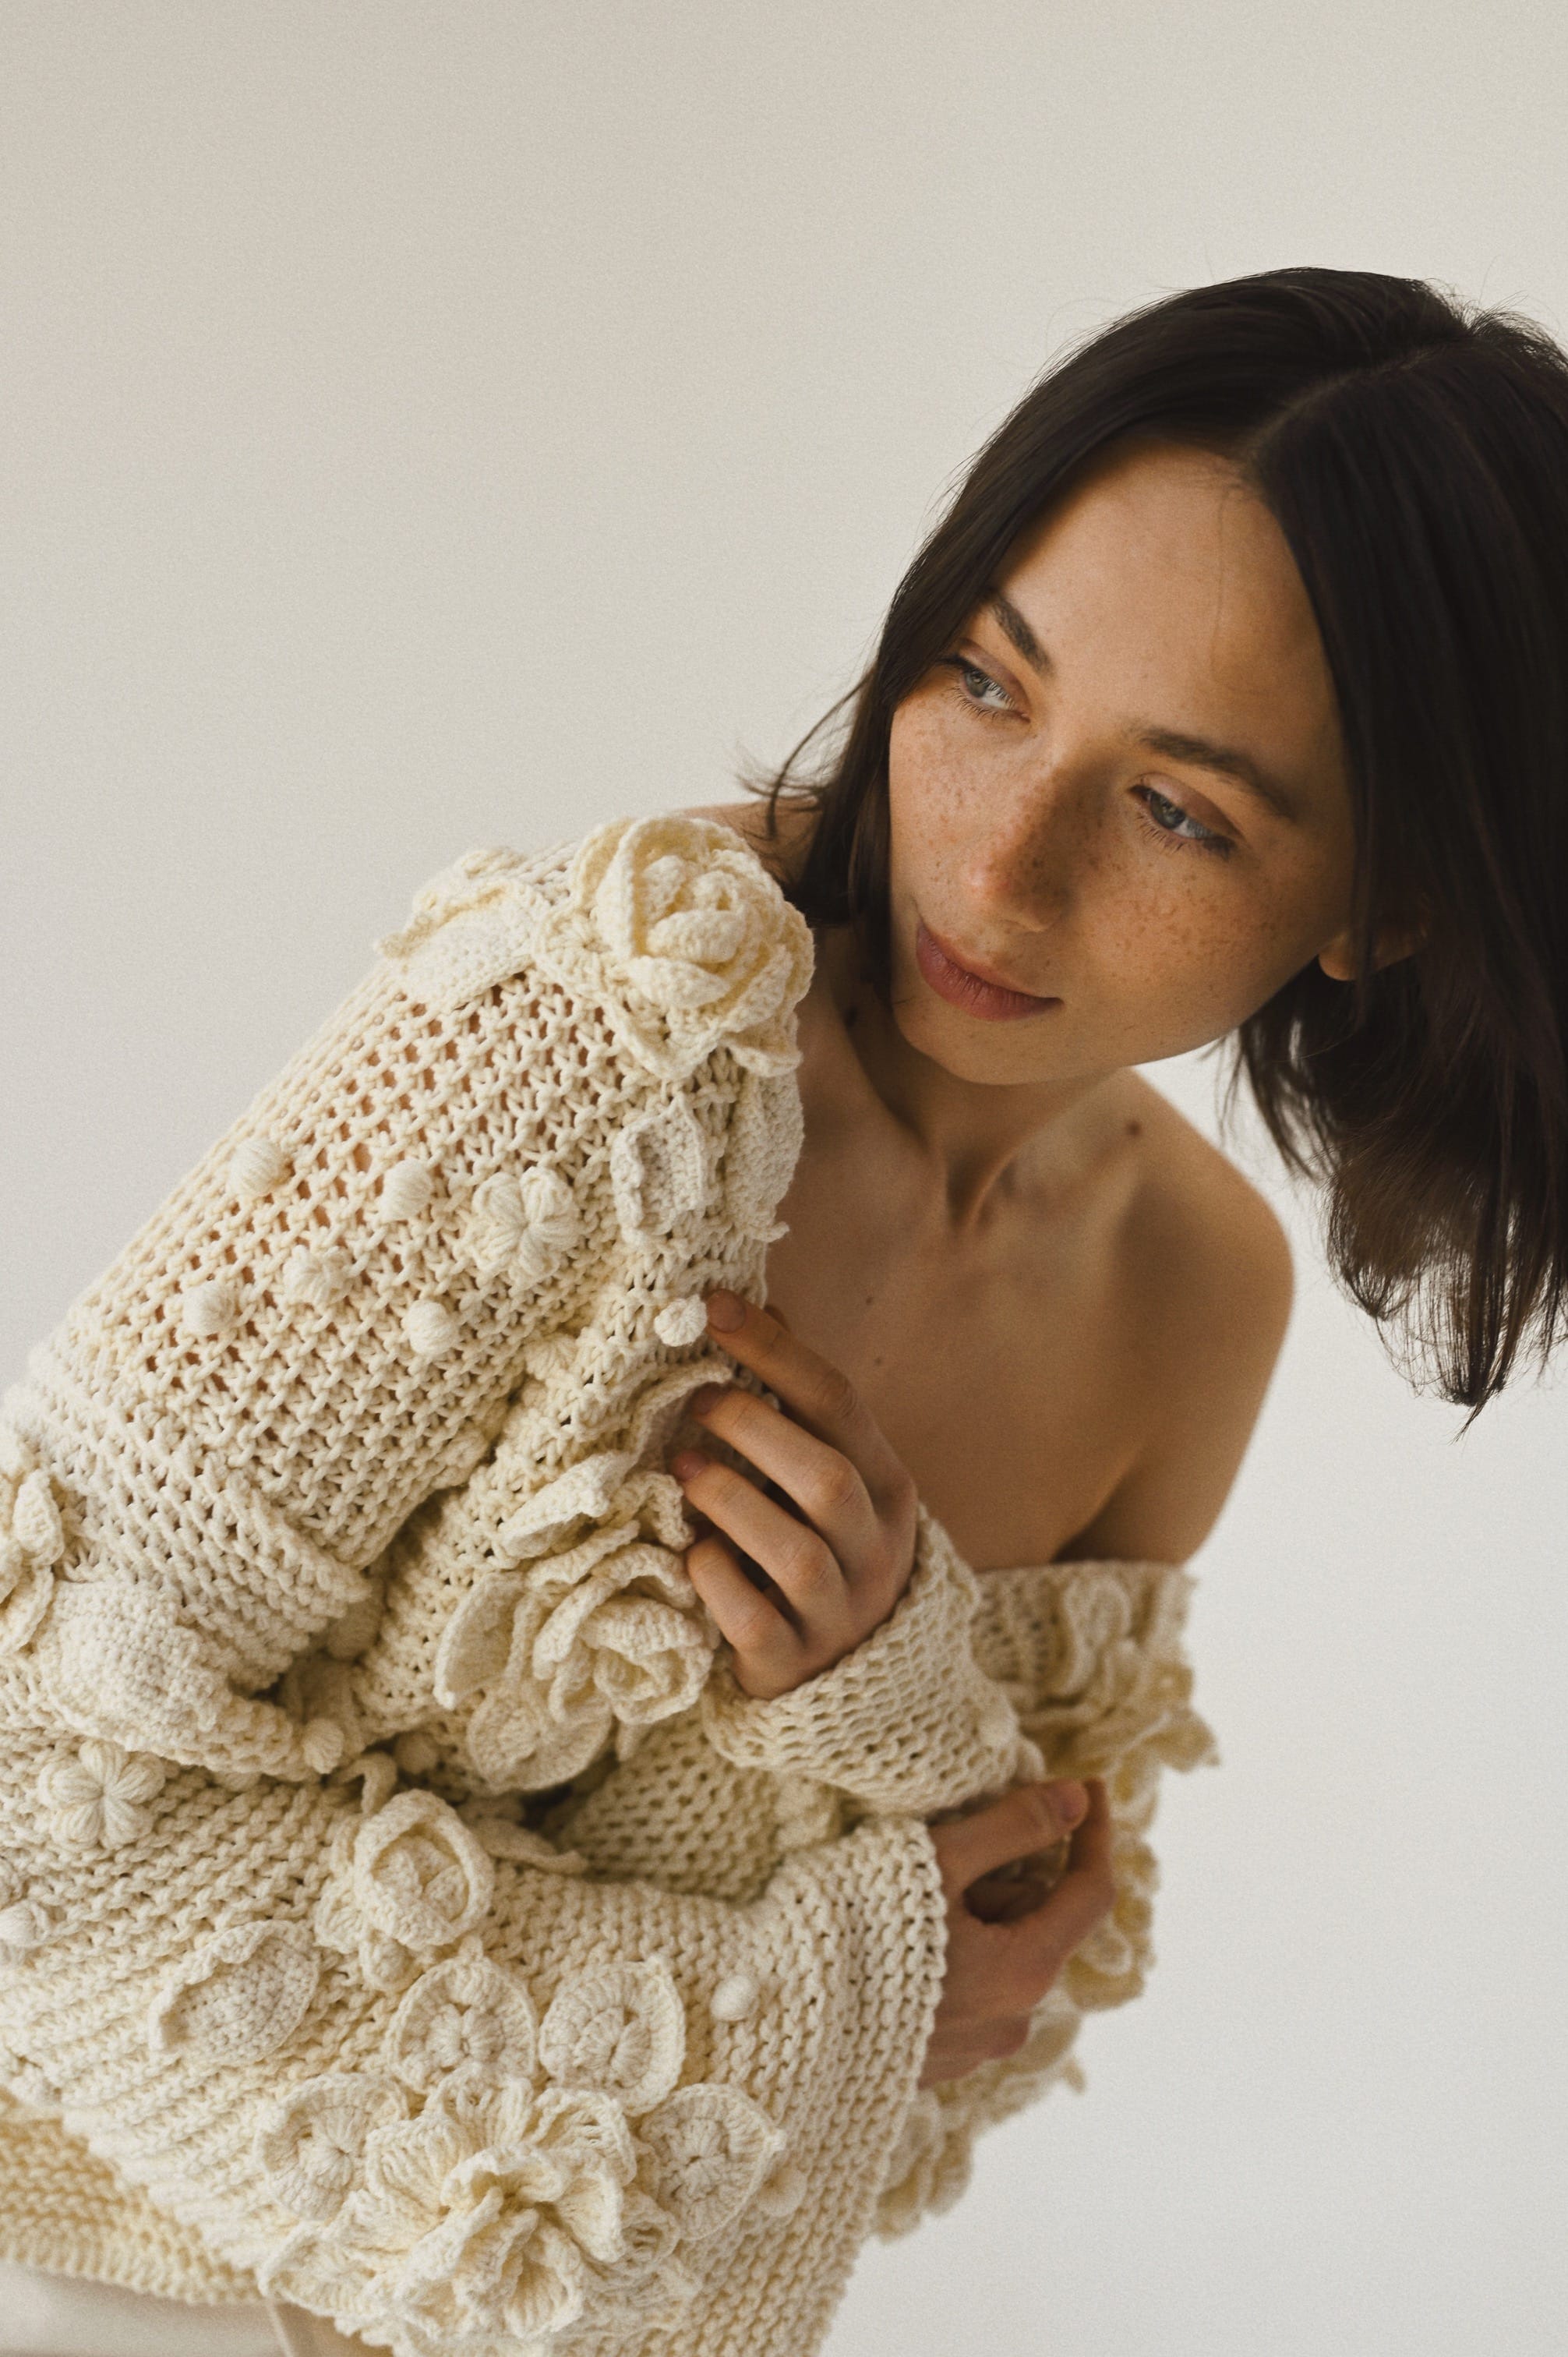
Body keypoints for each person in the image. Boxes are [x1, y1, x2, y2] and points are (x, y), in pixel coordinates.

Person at [1, 264, 1564, 2357]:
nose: (996, 869)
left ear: (1382, 909)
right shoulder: (595, 1031)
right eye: (986, 681)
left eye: (1176, 810)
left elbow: (993, 2004)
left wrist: (883, 1689)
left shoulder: (1195, 1295)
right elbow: (25, 1794)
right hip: (94, 2283)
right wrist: (839, 1988)